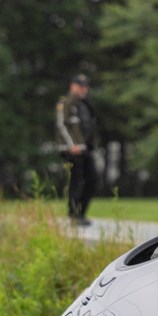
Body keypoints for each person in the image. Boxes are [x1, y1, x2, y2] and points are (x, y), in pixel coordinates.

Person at [55, 73, 98, 226]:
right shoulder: (67, 102)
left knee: (92, 179)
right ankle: (73, 214)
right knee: (77, 181)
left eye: (85, 86)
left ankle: (81, 213)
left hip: (85, 149)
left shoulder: (85, 104)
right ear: (73, 86)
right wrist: (71, 145)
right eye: (81, 86)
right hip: (73, 150)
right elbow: (62, 125)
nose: (84, 89)